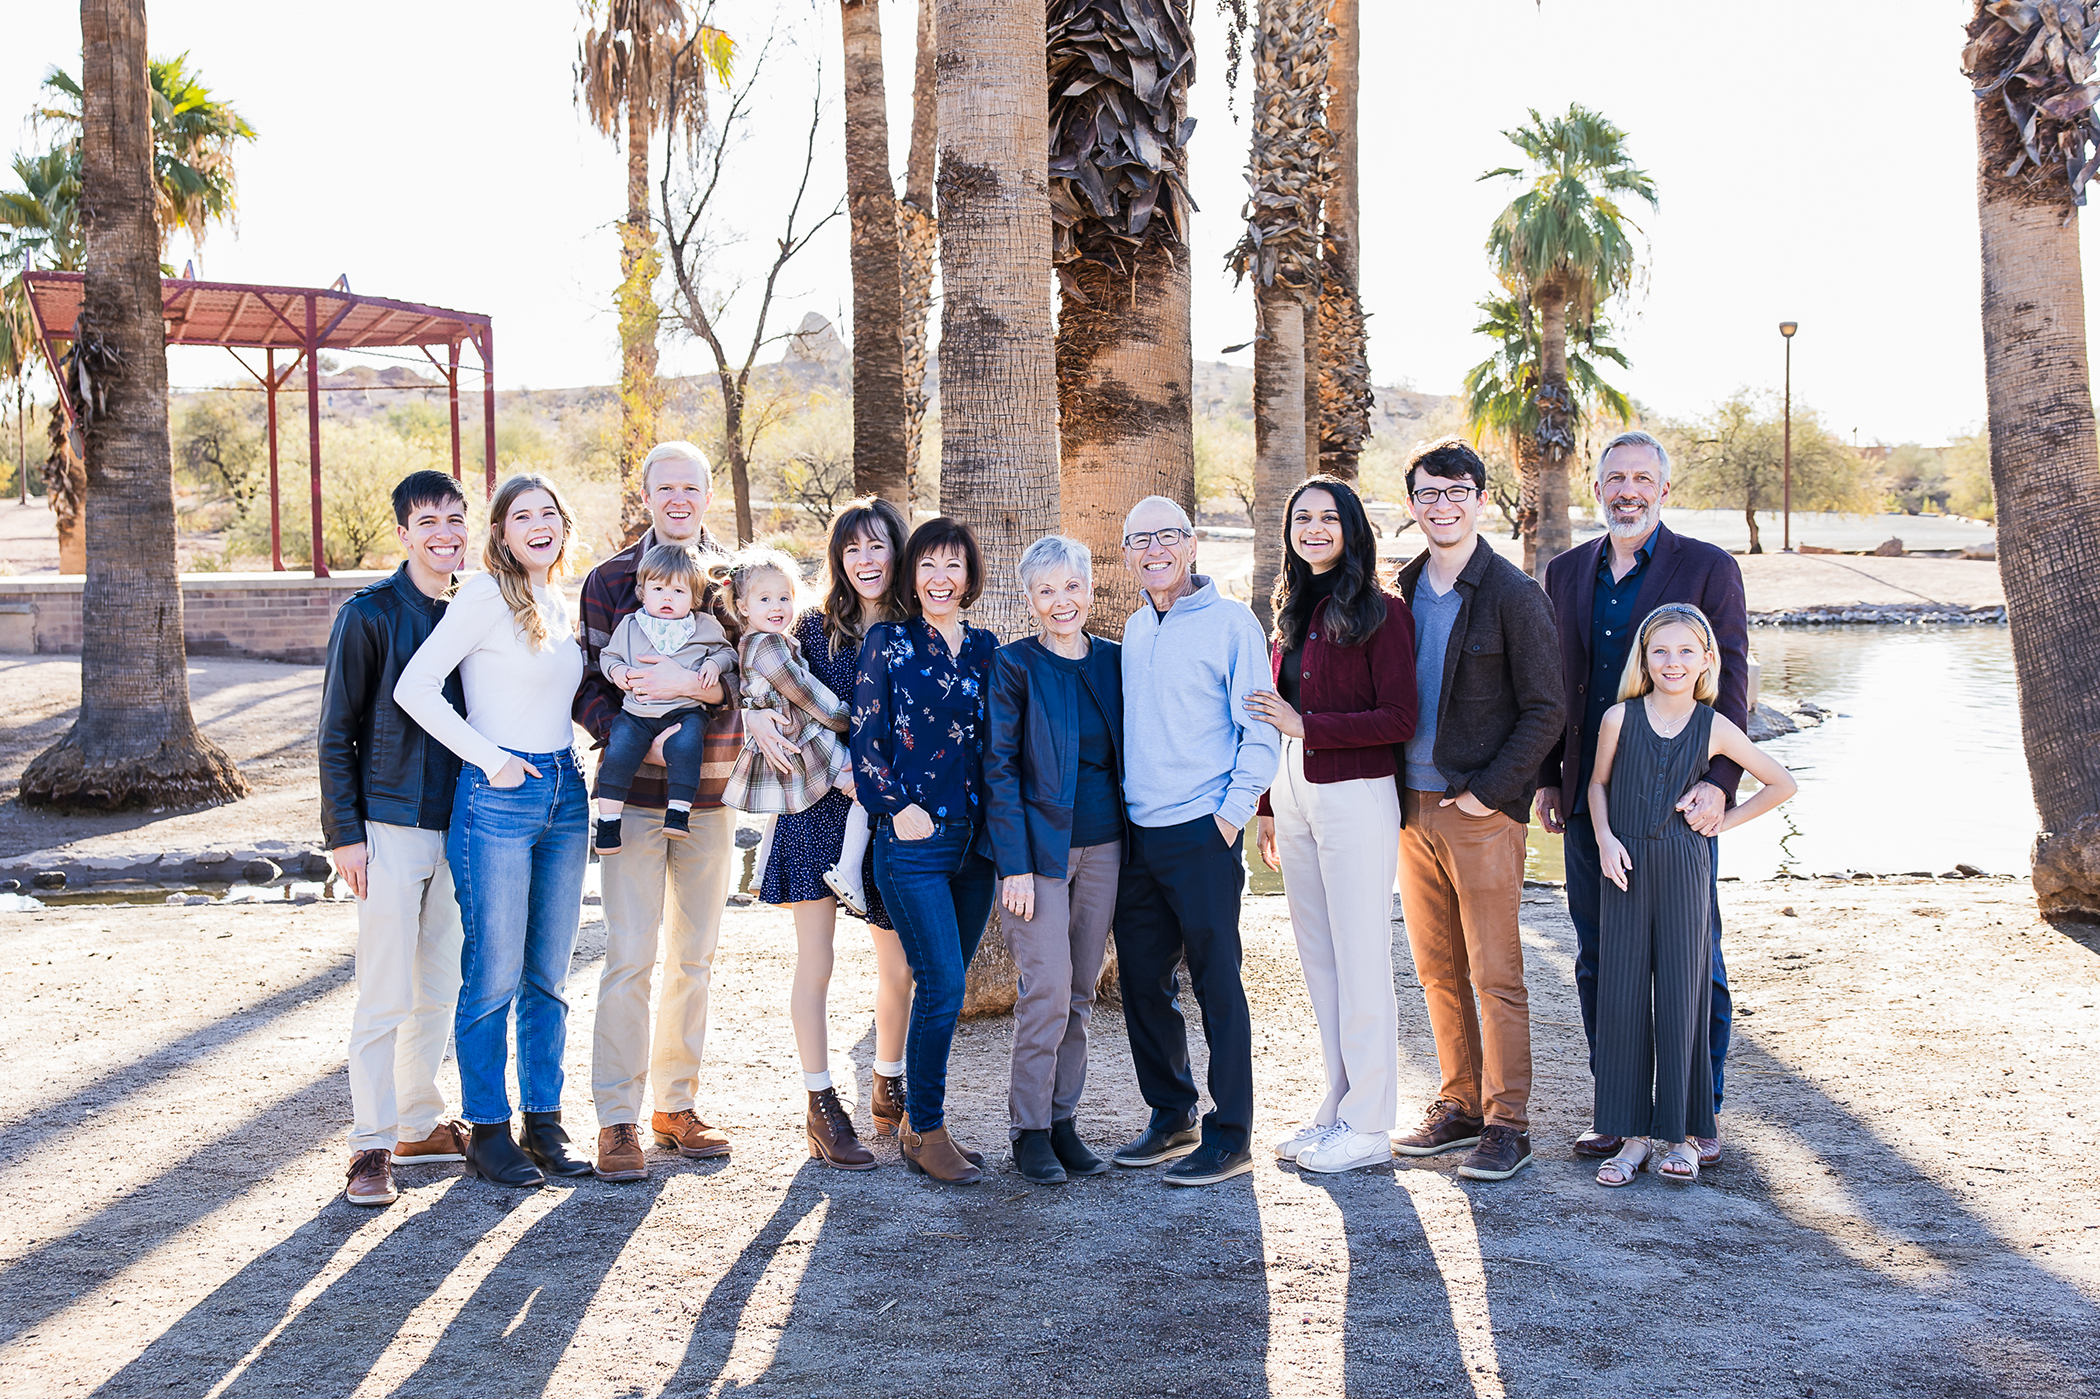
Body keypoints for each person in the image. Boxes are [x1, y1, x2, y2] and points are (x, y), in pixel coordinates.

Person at [1535, 430, 1750, 1169]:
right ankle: (1619, 1108)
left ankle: (1699, 1111)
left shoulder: (1708, 567)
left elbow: (1733, 682)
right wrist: (1545, 778)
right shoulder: (1564, 571)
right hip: (1591, 799)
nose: (1627, 490)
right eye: (1614, 477)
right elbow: (1550, 686)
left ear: (1664, 488)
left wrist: (1719, 788)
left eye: (1641, 478)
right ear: (1598, 487)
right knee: (1600, 957)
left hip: (1678, 802)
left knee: (1696, 962)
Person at [394, 473, 591, 1189]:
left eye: (549, 512)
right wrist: (492, 758)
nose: (538, 524)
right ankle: (488, 1129)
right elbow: (414, 687)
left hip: (565, 794)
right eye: (522, 515)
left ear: (563, 526)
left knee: (549, 974)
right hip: (498, 799)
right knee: (493, 972)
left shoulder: (559, 601)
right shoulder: (483, 595)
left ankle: (545, 1120)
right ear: (502, 533)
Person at [1386, 439, 1565, 1183]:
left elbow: (1547, 708)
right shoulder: (1400, 588)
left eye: (1457, 491)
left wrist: (1489, 791)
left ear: (1480, 499)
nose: (1443, 505)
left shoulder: (1514, 594)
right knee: (1436, 969)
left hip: (1479, 808)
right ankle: (1459, 1103)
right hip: (1408, 806)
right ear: (1413, 505)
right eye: (1429, 493)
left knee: (1497, 971)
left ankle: (1507, 1122)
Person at [572, 441, 744, 1182]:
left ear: (707, 496)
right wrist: (639, 732)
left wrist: (703, 692)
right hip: (633, 798)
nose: (679, 499)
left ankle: (676, 1106)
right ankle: (617, 1120)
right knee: (631, 953)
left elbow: (753, 677)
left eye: (691, 487)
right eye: (664, 487)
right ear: (646, 496)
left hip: (710, 797)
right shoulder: (611, 579)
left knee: (695, 957)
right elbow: (585, 685)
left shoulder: (734, 578)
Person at [1587, 604, 1795, 1188]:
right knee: (1623, 997)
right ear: (1644, 659)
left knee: (1684, 997)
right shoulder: (1618, 718)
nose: (1672, 663)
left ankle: (1678, 1135)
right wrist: (1604, 839)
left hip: (1686, 869)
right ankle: (1630, 1139)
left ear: (1708, 660)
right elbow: (1598, 784)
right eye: (1660, 651)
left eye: (1685, 652)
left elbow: (1782, 783)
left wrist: (1724, 821)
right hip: (1623, 868)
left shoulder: (1716, 726)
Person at [1246, 477, 1416, 1176]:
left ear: (1351, 526)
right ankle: (1340, 1103)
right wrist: (1264, 808)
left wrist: (1305, 725)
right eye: (1302, 518)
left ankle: (1372, 1124)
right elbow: (1274, 713)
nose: (1314, 528)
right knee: (1320, 959)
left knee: (1361, 956)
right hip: (1294, 793)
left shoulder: (1384, 611)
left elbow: (1399, 718)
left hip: (1356, 796)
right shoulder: (1291, 609)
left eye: (1327, 517)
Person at [1111, 496, 1281, 1187]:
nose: (1153, 550)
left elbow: (1261, 728)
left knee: (1217, 983)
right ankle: (1172, 1112)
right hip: (1139, 834)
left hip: (1203, 831)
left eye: (1166, 537)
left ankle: (1231, 1132)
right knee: (1143, 982)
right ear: (1125, 554)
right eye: (1138, 539)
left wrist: (1232, 813)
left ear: (1192, 544)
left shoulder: (1233, 623)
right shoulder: (1133, 626)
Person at [322, 470, 472, 1207]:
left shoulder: (476, 607)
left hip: (464, 826)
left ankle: (418, 1120)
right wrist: (345, 835)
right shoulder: (370, 614)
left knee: (439, 982)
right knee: (383, 991)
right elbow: (334, 733)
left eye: (455, 518)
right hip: (386, 826)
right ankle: (370, 1145)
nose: (444, 532)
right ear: (404, 533)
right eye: (428, 521)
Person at [750, 499, 915, 1169]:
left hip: (887, 813)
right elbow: (761, 672)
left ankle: (889, 1077)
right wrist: (753, 715)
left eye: (878, 547)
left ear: (897, 553)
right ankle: (821, 1104)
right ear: (838, 559)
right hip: (816, 806)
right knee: (815, 962)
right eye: (853, 550)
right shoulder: (814, 630)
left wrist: (881, 779)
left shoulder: (916, 629)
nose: (867, 560)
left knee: (898, 967)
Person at [851, 517, 999, 1184]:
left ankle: (919, 1120)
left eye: (954, 566)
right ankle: (926, 1128)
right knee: (939, 982)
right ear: (912, 574)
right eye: (929, 565)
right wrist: (900, 809)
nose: (941, 578)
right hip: (911, 843)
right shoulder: (888, 642)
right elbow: (865, 743)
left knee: (948, 985)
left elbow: (1001, 745)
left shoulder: (987, 649)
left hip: (976, 847)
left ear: (970, 576)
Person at [981, 535, 1124, 1185]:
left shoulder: (1118, 662)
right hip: (1035, 856)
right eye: (1047, 590)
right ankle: (1029, 1129)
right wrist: (1013, 863)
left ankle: (1064, 1122)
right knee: (1045, 991)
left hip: (1107, 848)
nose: (1061, 600)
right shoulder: (1014, 667)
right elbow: (999, 769)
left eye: (1072, 585)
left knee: (1081, 991)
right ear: (1030, 600)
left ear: (1090, 587)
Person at [592, 543, 734, 852]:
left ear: (695, 598)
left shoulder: (703, 626)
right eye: (658, 589)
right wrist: (617, 672)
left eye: (679, 592)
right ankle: (607, 823)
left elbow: (727, 653)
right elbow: (608, 657)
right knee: (619, 752)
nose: (667, 598)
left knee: (687, 746)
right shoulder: (631, 625)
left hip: (685, 711)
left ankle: (678, 813)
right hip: (637, 712)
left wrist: (713, 663)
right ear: (642, 592)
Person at [720, 548, 853, 819]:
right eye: (765, 599)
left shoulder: (760, 641)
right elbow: (801, 690)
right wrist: (843, 717)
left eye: (784, 598)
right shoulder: (767, 644)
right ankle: (850, 864)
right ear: (743, 607)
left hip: (789, 736)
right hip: (801, 737)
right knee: (860, 785)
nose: (776, 607)